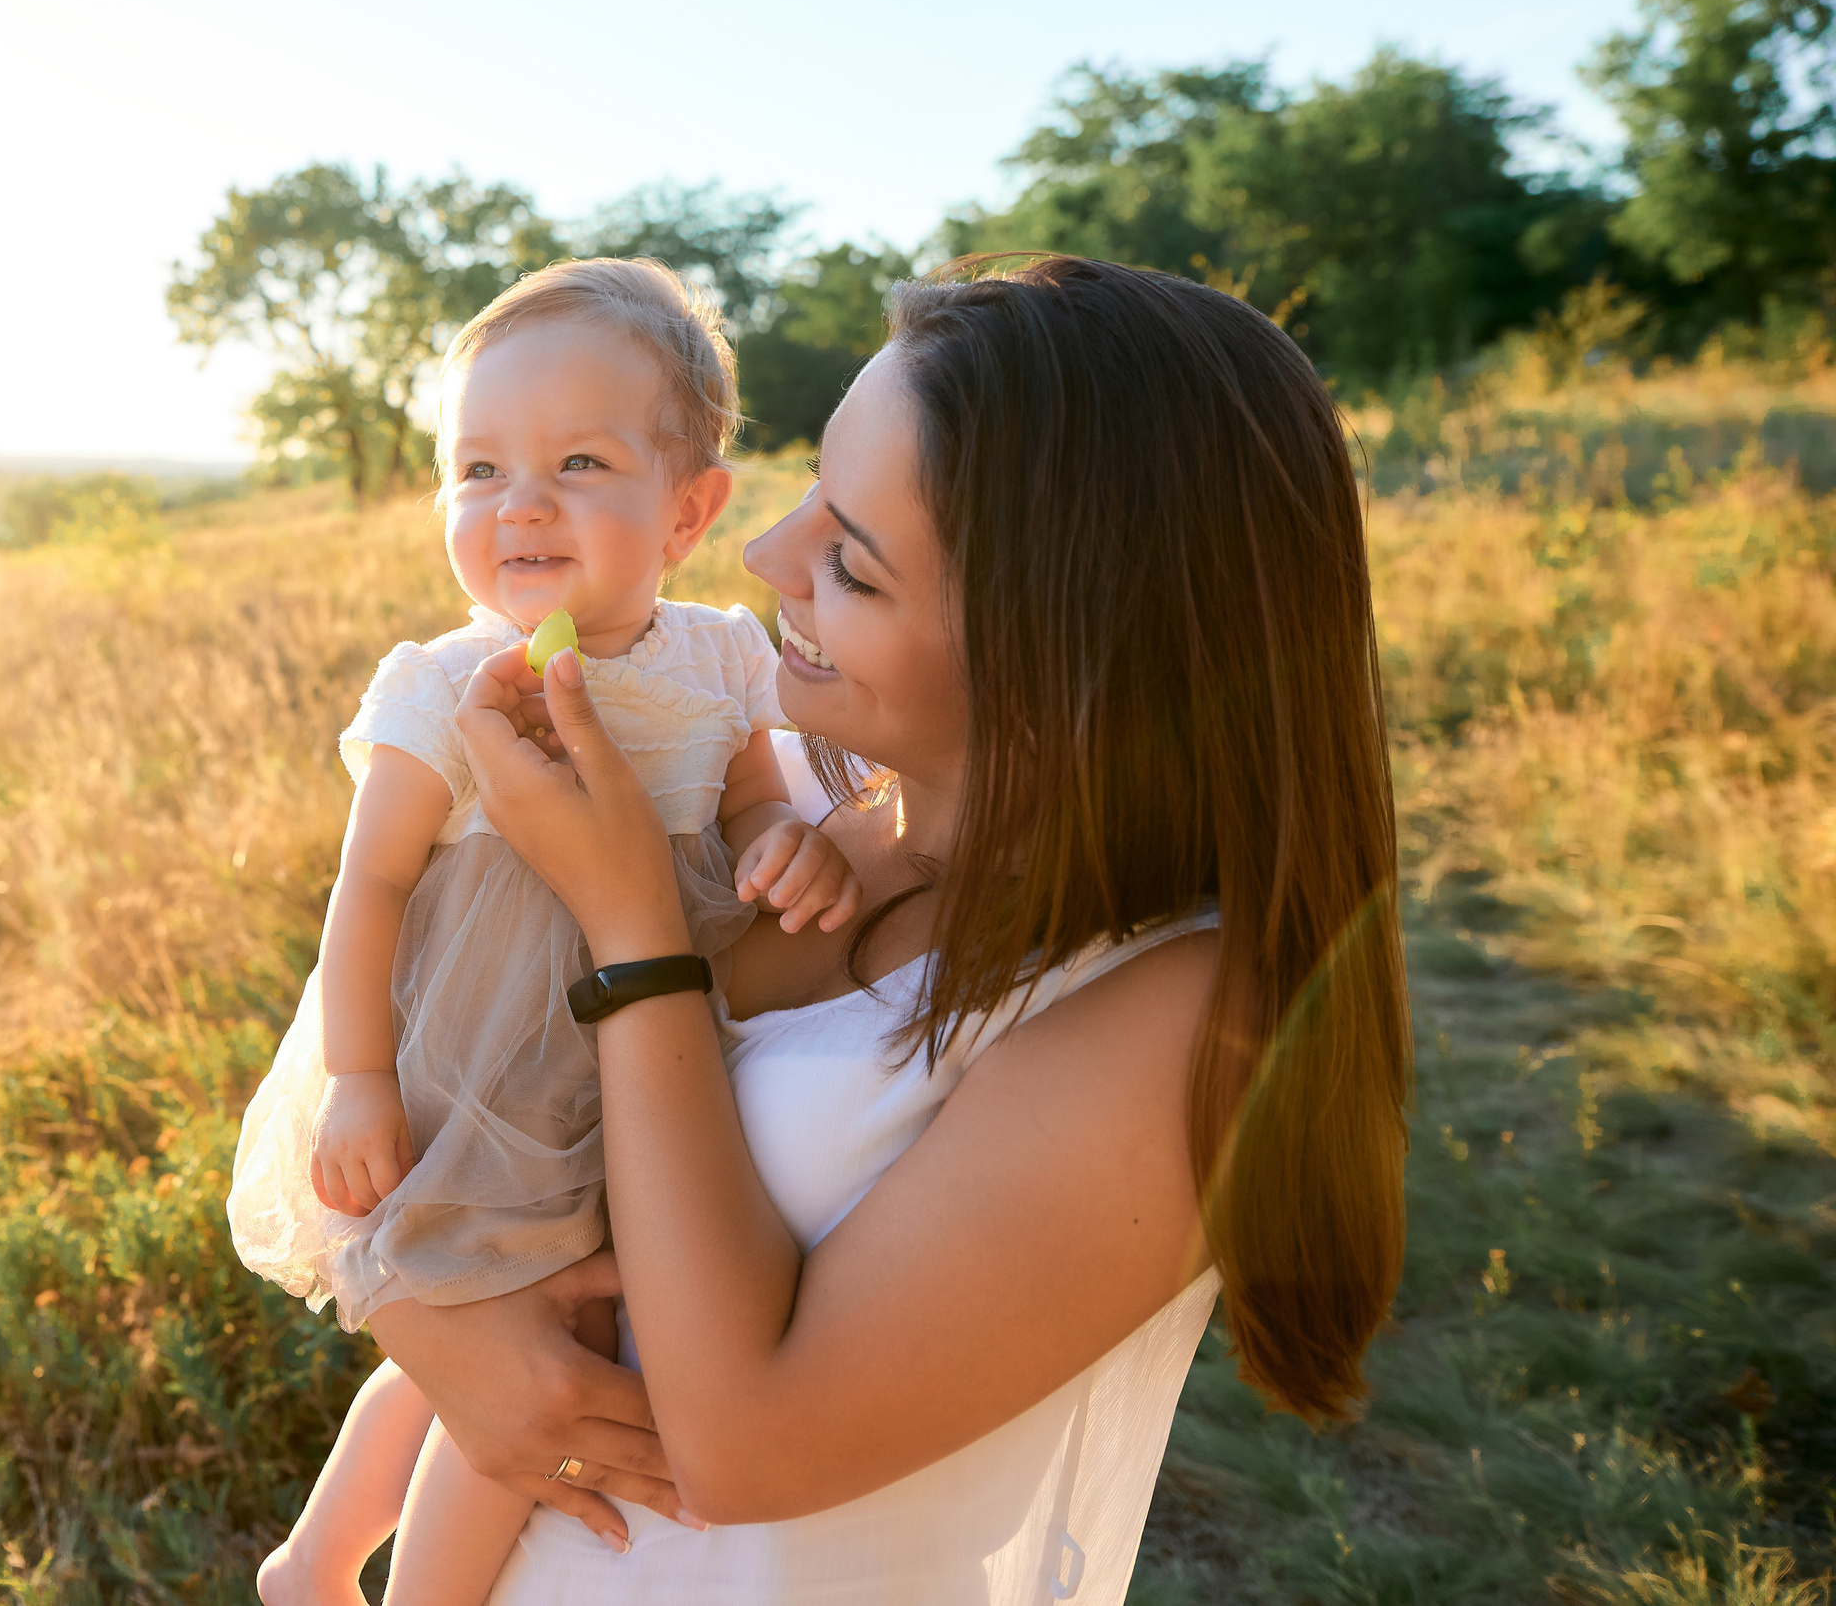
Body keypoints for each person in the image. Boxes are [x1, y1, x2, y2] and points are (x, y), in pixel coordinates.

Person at [362, 253, 1413, 1603]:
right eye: (813, 493)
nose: (761, 555)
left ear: (1056, 654)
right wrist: (434, 1326)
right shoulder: (815, 814)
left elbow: (743, 1446)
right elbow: (408, 1088)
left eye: (850, 561)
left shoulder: (1177, 1018)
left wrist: (631, 920)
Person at [227, 257, 864, 1606]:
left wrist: (779, 844)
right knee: (529, 1344)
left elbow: (753, 801)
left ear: (688, 508)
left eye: (578, 460)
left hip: (650, 1044)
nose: (519, 501)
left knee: (509, 1323)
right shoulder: (448, 685)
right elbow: (372, 891)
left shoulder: (718, 661)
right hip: (487, 1065)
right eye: (477, 469)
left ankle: (313, 1557)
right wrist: (355, 1076)